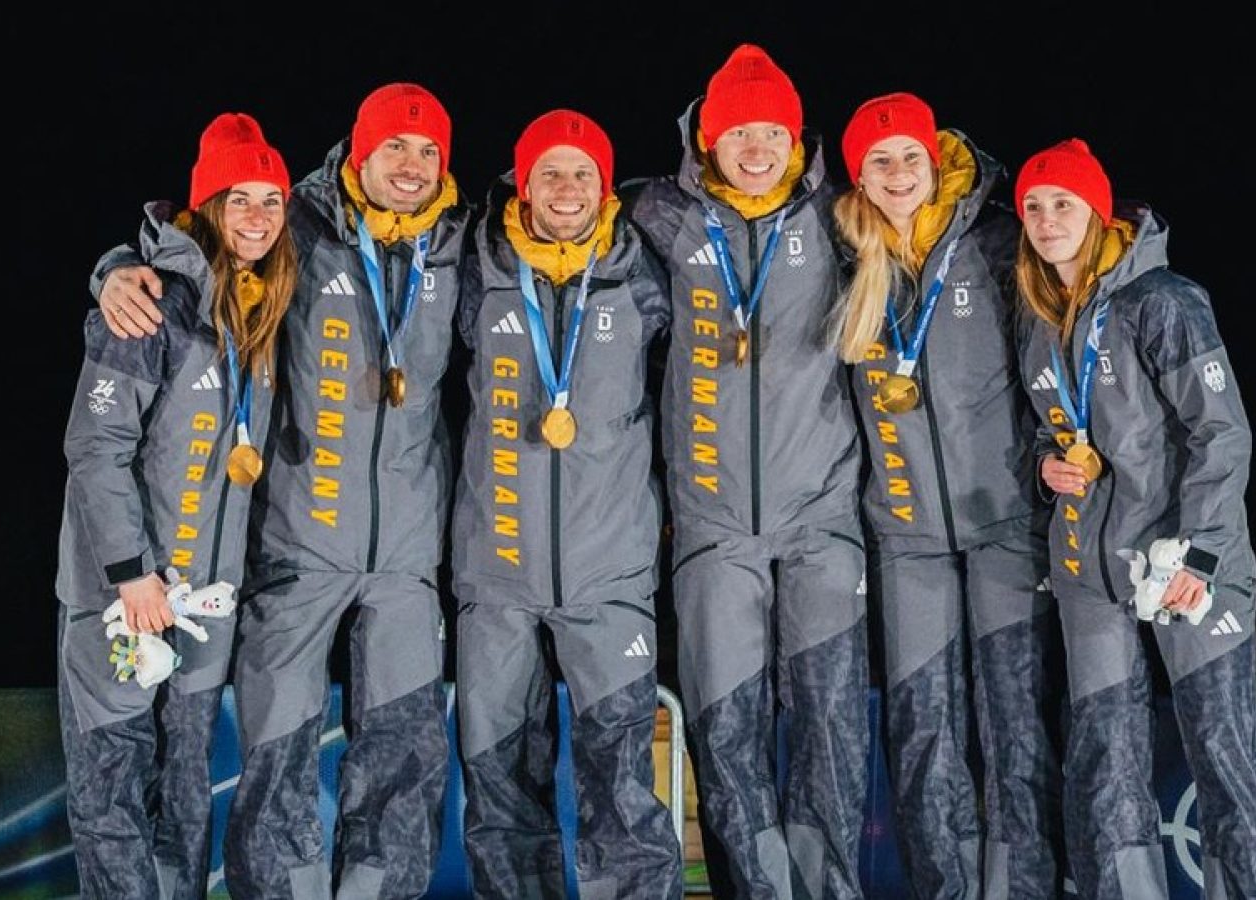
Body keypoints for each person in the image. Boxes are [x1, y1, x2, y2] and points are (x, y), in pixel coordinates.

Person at [93, 83, 469, 898]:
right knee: (277, 767)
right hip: (293, 550)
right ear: (358, 153)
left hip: (406, 558)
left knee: (404, 763)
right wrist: (116, 269)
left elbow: (569, 243)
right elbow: (200, 236)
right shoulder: (297, 219)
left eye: (428, 151)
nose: (411, 167)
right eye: (393, 148)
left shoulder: (462, 242)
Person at [1013, 138, 1256, 898]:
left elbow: (1222, 431)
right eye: (1034, 207)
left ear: (1098, 210)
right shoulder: (1040, 316)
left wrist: (1199, 554)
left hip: (1188, 567)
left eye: (1063, 204)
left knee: (1224, 755)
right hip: (1092, 569)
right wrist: (1045, 467)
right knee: (1104, 761)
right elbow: (1048, 429)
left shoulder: (1161, 300)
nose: (1046, 221)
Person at [625, 44, 869, 900]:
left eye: (775, 131)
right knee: (726, 735)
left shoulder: (843, 216)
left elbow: (946, 229)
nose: (758, 147)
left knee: (830, 735)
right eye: (741, 131)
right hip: (713, 527)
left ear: (798, 140)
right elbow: (549, 223)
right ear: (709, 139)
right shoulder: (659, 216)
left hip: (822, 521)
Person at [58, 111, 295, 899]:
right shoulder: (147, 306)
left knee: (186, 791)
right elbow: (96, 451)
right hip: (122, 600)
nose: (258, 217)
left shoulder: (257, 308)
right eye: (239, 199)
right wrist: (131, 575)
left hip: (202, 604)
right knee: (114, 791)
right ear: (206, 208)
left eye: (272, 200)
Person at [832, 92, 1062, 898]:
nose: (898, 175)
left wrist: (1045, 457)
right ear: (858, 176)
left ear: (938, 164)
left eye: (910, 159)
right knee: (925, 733)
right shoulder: (844, 255)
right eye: (879, 161)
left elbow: (1050, 369)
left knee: (1016, 730)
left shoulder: (998, 243)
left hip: (1005, 526)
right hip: (906, 537)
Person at [451, 108, 683, 900]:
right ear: (522, 183)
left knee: (623, 791)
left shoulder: (642, 270)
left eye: (583, 172)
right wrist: (118, 269)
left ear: (604, 187)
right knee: (501, 794)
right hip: (497, 576)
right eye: (550, 171)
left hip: (611, 578)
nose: (567, 187)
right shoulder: (475, 263)